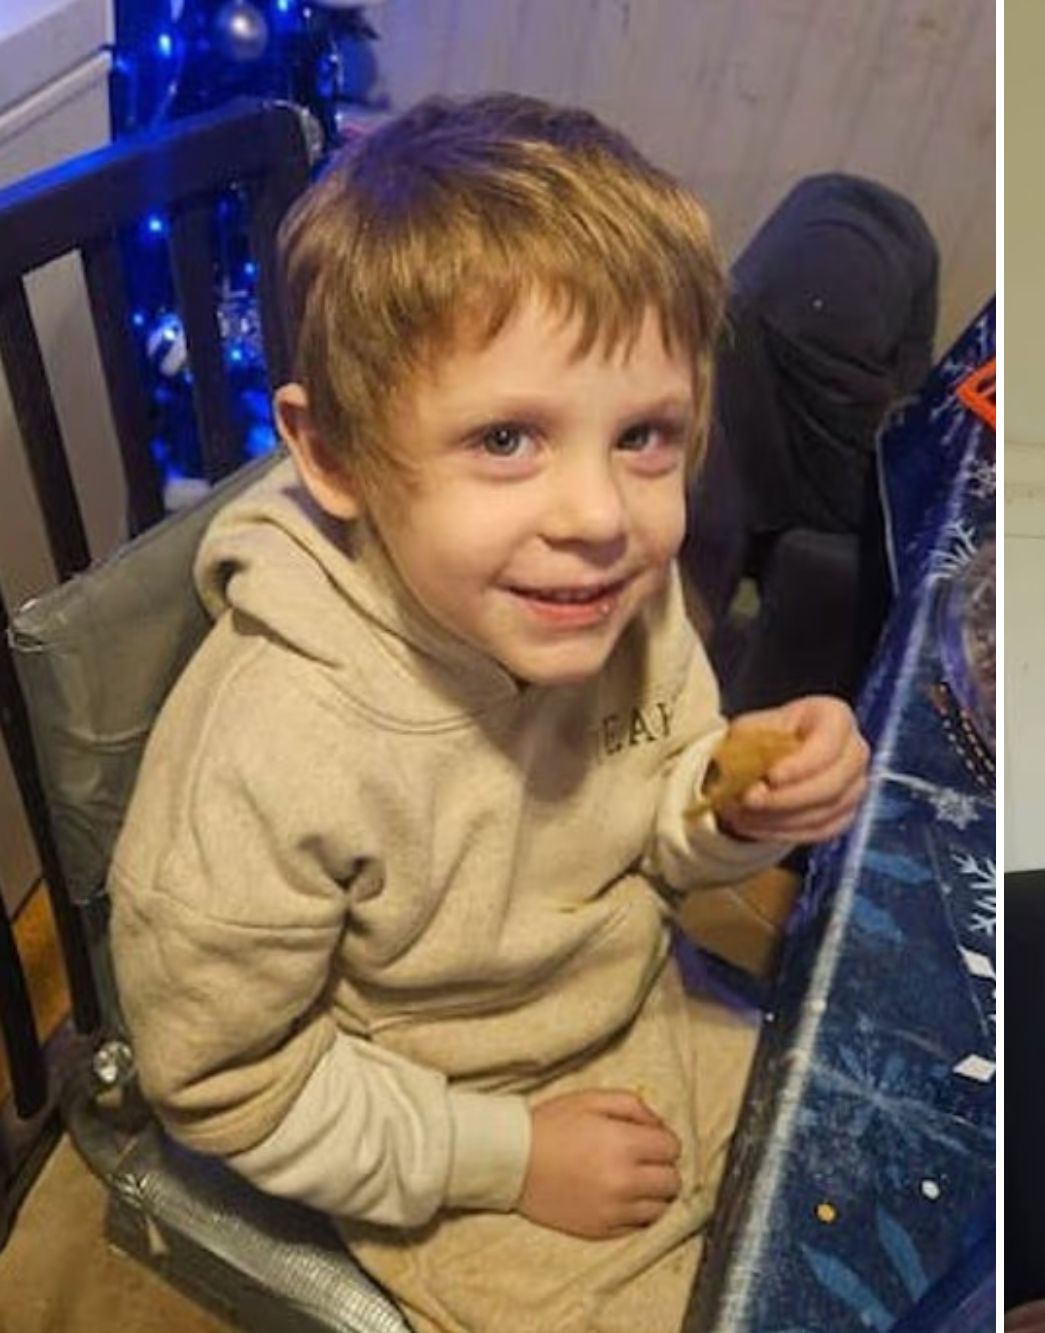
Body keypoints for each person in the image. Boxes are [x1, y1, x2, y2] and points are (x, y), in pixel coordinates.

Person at [109, 93, 869, 1333]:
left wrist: (739, 798)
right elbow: (229, 1089)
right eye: (507, 436)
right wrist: (510, 1156)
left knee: (858, 1192)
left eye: (644, 436)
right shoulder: (271, 751)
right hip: (435, 1129)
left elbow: (661, 823)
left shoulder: (610, 598)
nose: (601, 516)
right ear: (338, 453)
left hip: (643, 1011)